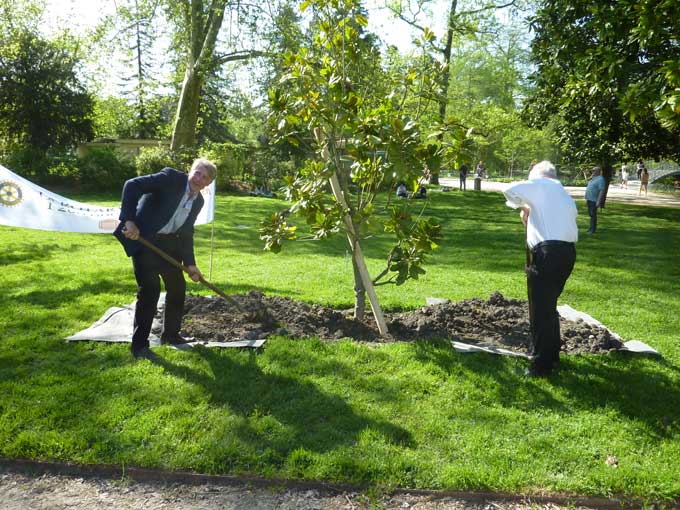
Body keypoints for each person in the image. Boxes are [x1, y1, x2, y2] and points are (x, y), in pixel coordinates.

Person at [113, 158, 217, 361]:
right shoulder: (170, 178)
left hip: (169, 247)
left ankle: (170, 335)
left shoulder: (198, 201)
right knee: (150, 290)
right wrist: (129, 220)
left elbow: (186, 232)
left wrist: (191, 264)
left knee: (177, 287)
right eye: (197, 172)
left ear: (208, 184)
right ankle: (140, 346)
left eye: (204, 177)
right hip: (144, 240)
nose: (198, 178)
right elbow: (132, 185)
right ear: (190, 171)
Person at [503, 160, 578, 377]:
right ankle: (551, 356)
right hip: (566, 254)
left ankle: (541, 365)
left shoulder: (542, 184)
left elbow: (509, 190)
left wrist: (523, 205)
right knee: (548, 308)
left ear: (538, 176)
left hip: (547, 254)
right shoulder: (563, 195)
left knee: (540, 311)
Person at [585, 166, 606, 235]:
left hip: (594, 200)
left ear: (598, 171)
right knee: (591, 214)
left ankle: (593, 230)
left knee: (593, 215)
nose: (592, 171)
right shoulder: (593, 178)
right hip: (589, 199)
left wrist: (598, 201)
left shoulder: (600, 179)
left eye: (594, 170)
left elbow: (602, 191)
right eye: (592, 170)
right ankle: (591, 228)